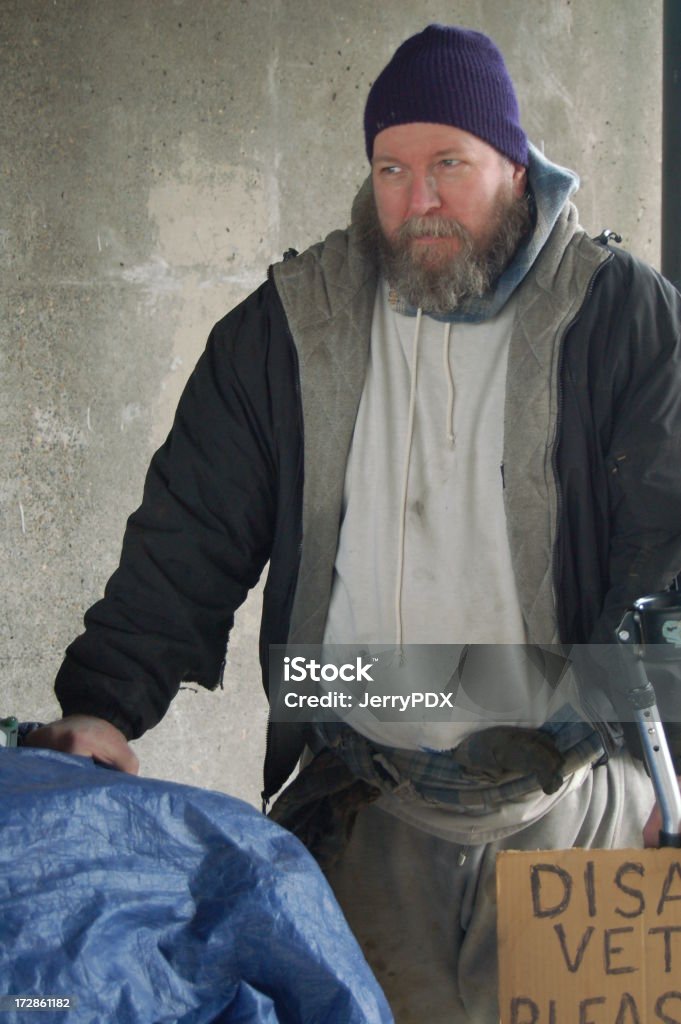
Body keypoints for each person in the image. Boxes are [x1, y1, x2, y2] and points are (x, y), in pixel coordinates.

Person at [28, 24, 681, 1024]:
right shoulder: (294, 327)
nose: (420, 199)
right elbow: (190, 529)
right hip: (371, 800)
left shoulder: (624, 317)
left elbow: (668, 551)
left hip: (577, 796)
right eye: (393, 168)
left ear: (515, 164)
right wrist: (106, 702)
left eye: (449, 165)